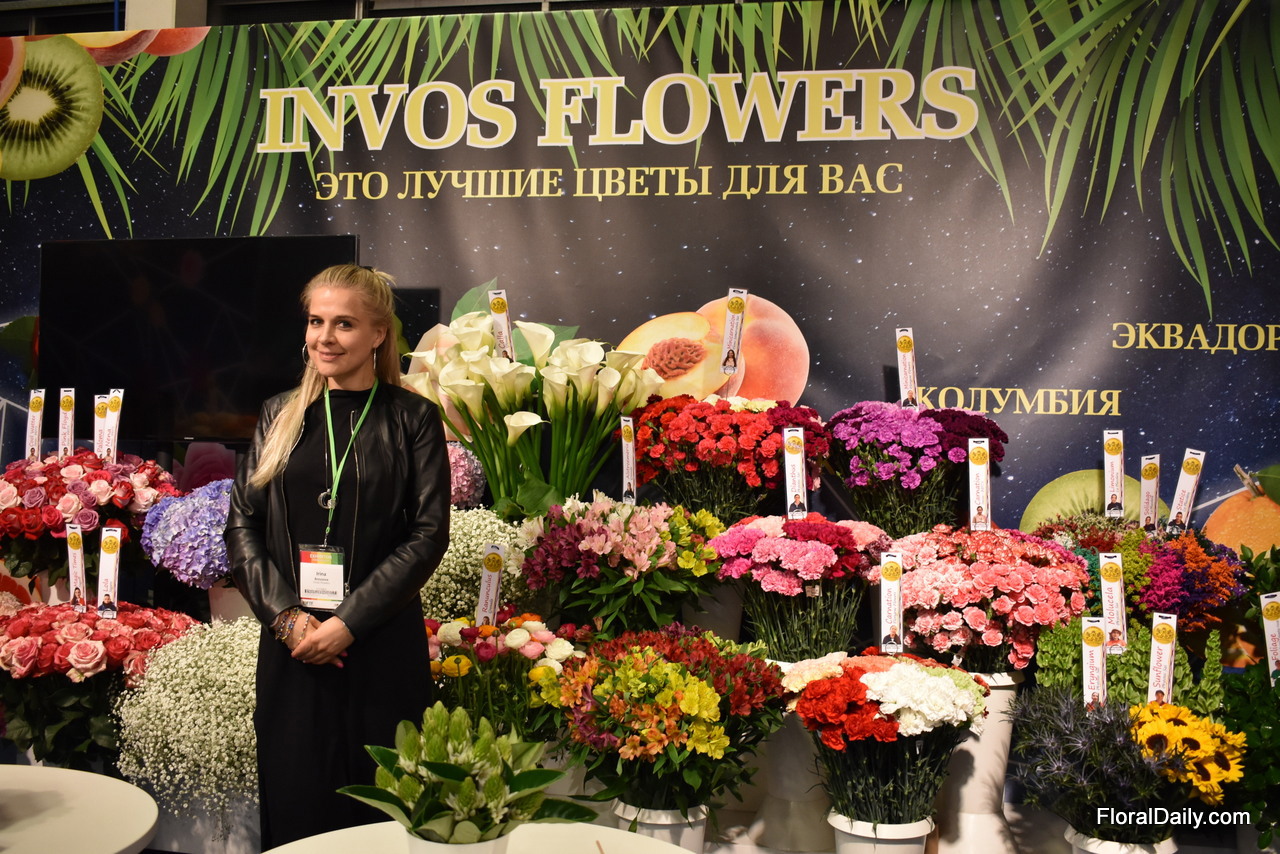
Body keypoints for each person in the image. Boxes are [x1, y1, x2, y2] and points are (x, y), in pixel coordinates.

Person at [226, 265, 451, 849]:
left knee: (385, 813)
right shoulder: (279, 413)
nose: (324, 337)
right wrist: (287, 618)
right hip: (294, 650)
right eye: (315, 321)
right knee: (298, 807)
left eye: (344, 324)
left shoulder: (413, 418)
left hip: (380, 648)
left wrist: (349, 622)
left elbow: (428, 535)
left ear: (378, 334)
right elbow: (243, 526)